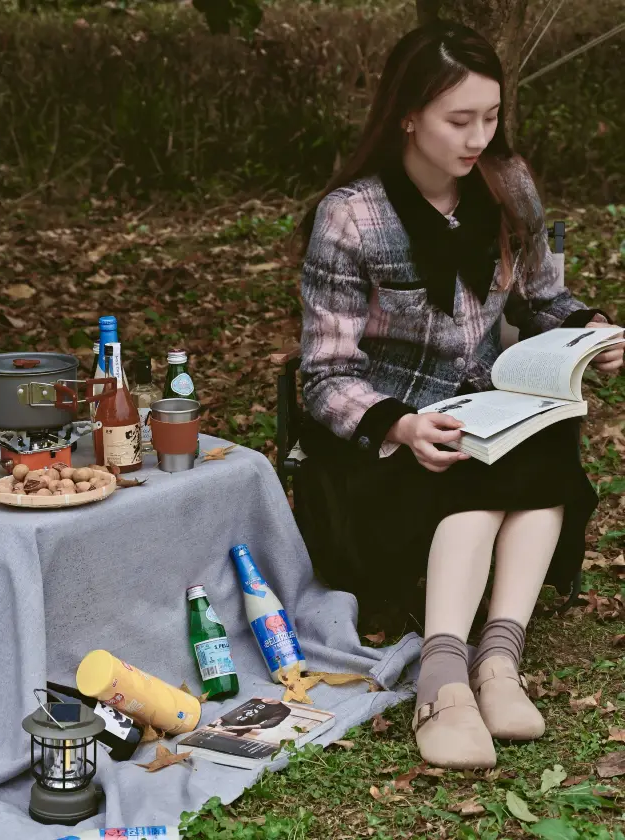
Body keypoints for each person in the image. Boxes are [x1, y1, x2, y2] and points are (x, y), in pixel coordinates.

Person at [296, 21, 624, 770]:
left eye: (491, 115)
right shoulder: (351, 215)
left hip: (488, 417)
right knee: (479, 476)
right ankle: (443, 679)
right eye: (459, 120)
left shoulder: (506, 183)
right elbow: (324, 373)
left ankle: (498, 661)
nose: (480, 137)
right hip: (387, 444)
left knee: (545, 441)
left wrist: (591, 333)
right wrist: (403, 427)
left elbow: (544, 299)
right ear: (408, 114)